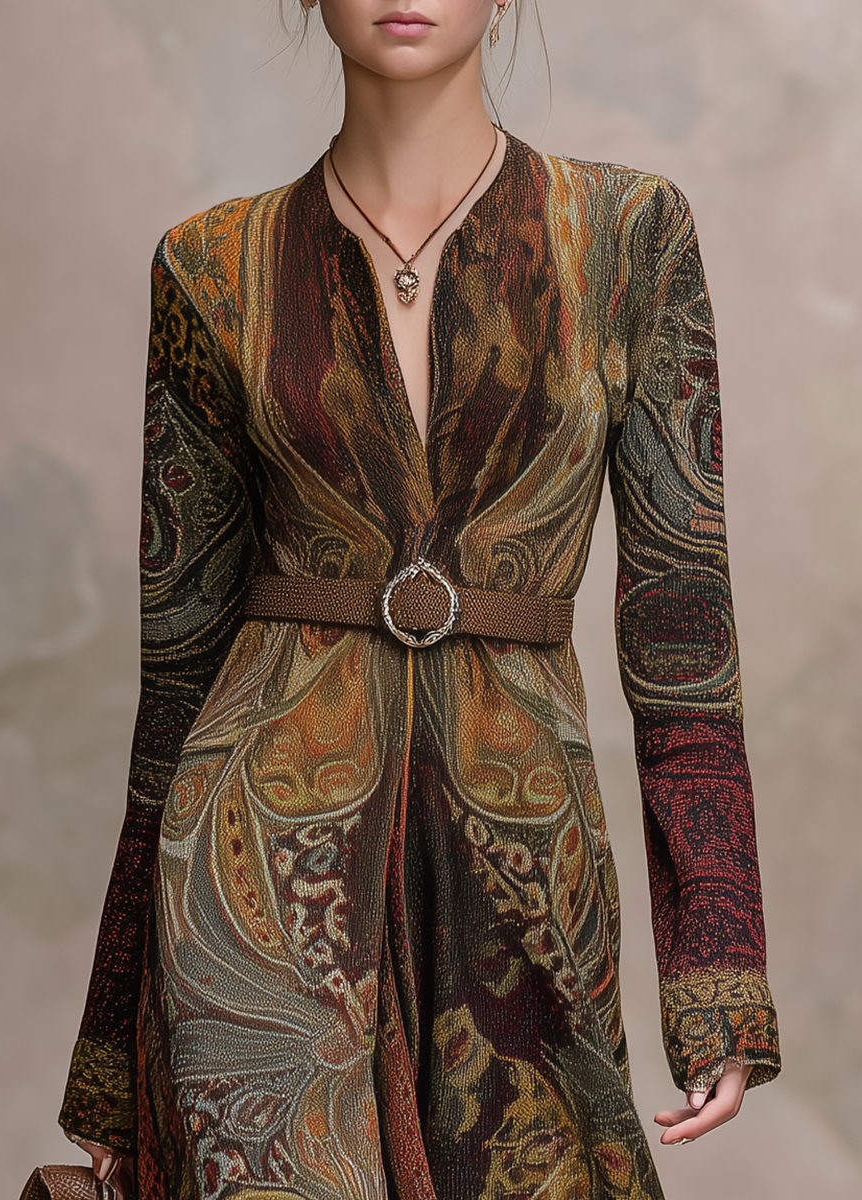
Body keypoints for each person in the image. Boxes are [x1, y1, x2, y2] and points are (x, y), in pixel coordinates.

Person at [58, 2, 781, 1197]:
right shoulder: (210, 264)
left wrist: (718, 978)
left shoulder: (629, 237)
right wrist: (110, 1064)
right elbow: (176, 672)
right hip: (248, 887)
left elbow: (684, 630)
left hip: (527, 868)